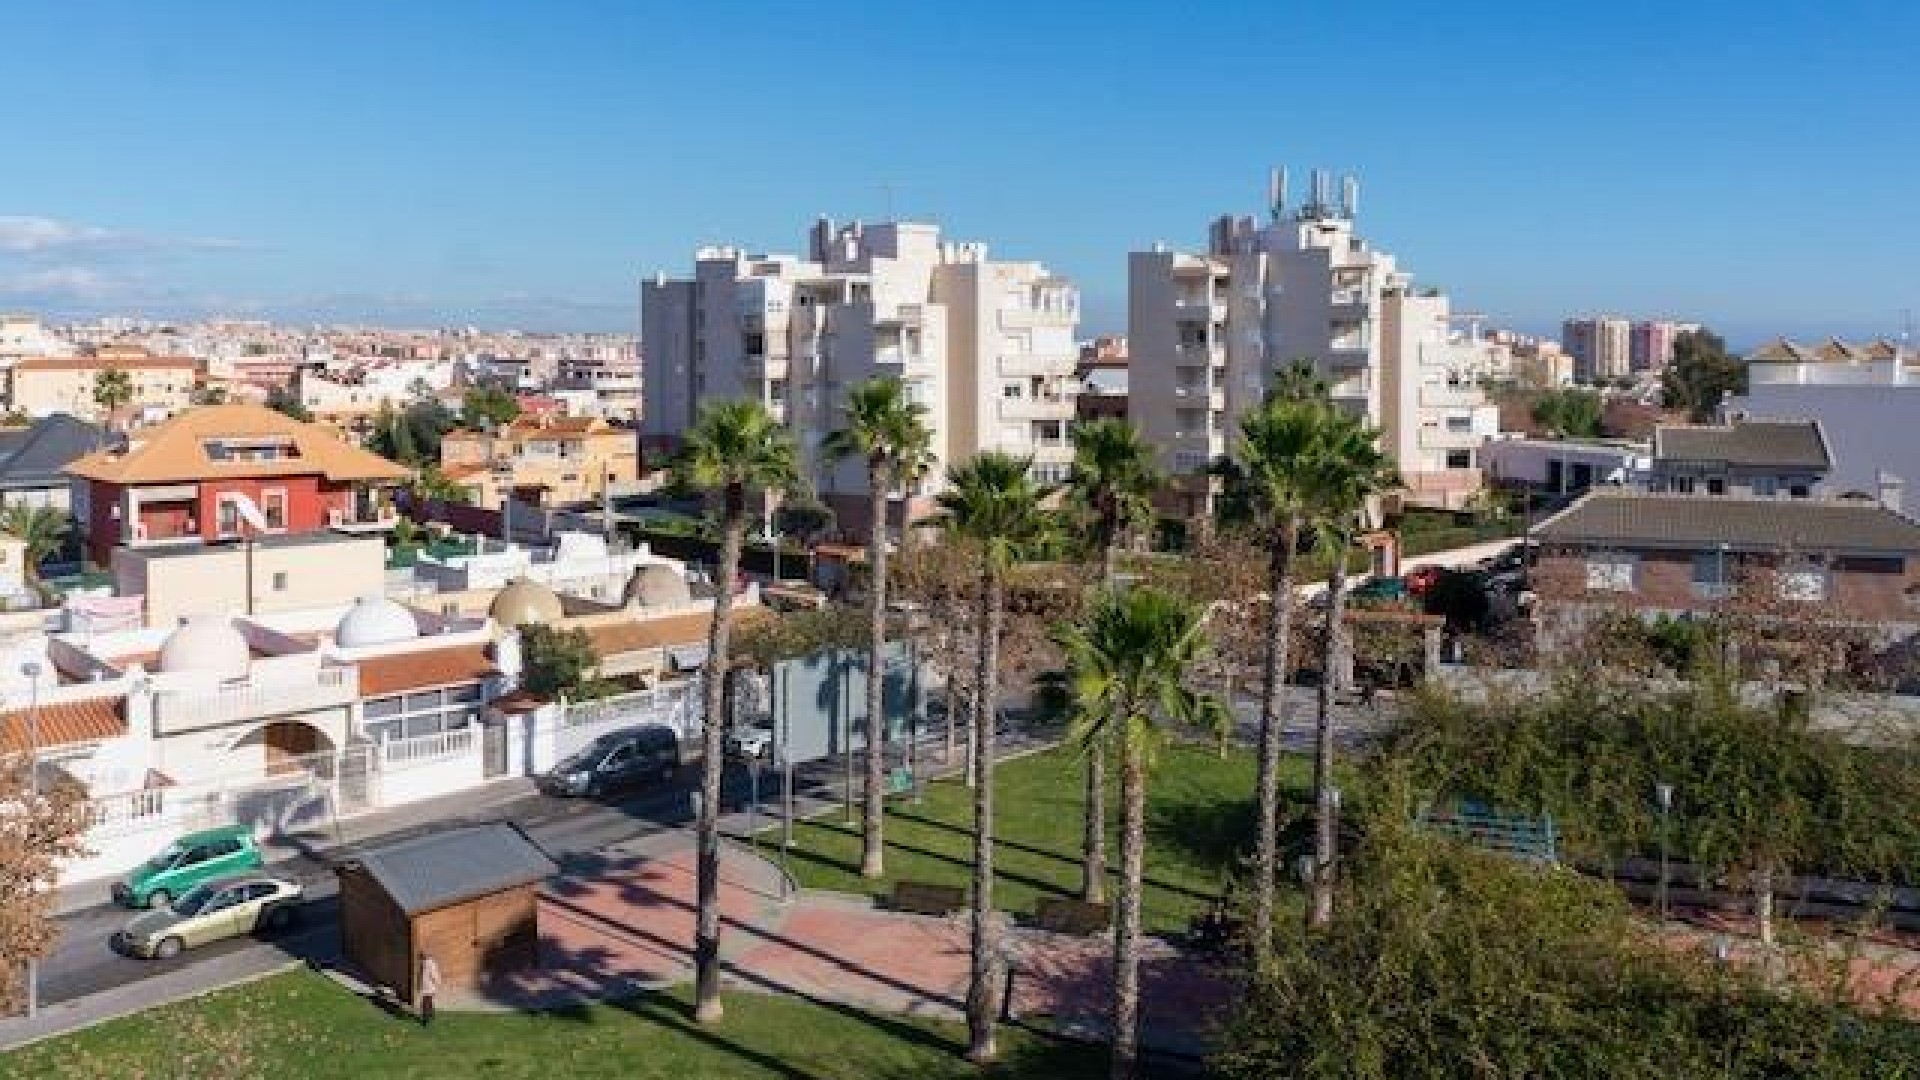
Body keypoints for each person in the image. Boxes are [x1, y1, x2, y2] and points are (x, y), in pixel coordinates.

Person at [418, 951, 442, 1027]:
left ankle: (426, 1019)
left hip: (429, 986)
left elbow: (434, 975)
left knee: (426, 1003)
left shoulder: (429, 964)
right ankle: (430, 1015)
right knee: (428, 1002)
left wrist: (438, 982)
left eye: (421, 957)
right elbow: (422, 976)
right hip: (427, 986)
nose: (420, 960)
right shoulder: (425, 964)